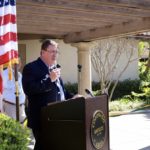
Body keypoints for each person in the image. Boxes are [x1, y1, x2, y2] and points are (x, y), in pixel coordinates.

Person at [22, 39, 75, 150]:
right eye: (52, 51)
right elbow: (29, 89)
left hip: (57, 117)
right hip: (42, 118)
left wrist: (74, 97)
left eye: (56, 52)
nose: (55, 54)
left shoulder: (54, 68)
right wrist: (49, 80)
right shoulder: (31, 68)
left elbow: (61, 91)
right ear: (42, 52)